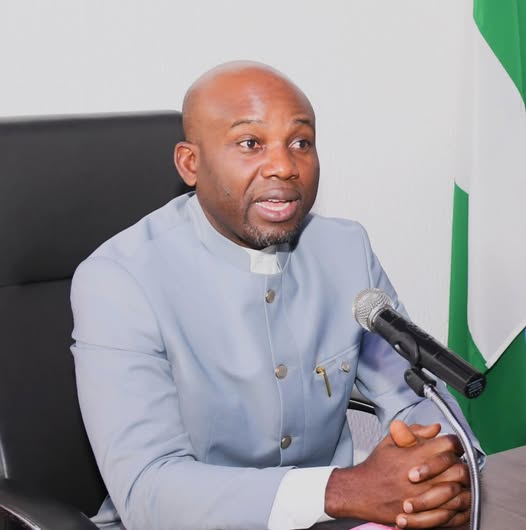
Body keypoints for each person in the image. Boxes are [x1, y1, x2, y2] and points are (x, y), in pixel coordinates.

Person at [71, 61, 480, 530]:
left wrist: (444, 476)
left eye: (301, 143)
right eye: (250, 143)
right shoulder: (119, 280)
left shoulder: (346, 250)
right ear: (190, 163)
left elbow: (413, 396)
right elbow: (148, 490)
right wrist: (343, 490)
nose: (285, 166)